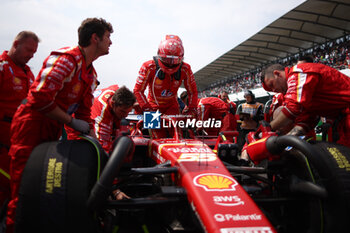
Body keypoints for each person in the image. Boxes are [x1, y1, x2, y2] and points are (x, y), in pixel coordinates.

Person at [6, 17, 113, 232]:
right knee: (23, 191)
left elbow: (84, 114)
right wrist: (71, 121)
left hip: (52, 130)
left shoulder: (90, 73)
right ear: (95, 38)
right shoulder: (66, 59)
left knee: (41, 189)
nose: (111, 43)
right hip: (31, 126)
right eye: (108, 37)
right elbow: (39, 99)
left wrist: (95, 144)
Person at [261, 63, 350, 147]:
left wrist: (267, 129)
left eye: (272, 84)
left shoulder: (298, 72)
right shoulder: (301, 93)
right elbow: (304, 122)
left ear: (277, 73)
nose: (275, 89)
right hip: (342, 120)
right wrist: (281, 142)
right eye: (271, 89)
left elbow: (293, 108)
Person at [0, 31, 39, 209]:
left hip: (20, 146)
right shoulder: (2, 68)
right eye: (28, 50)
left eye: (34, 53)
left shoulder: (29, 74)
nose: (31, 55)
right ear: (16, 44)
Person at [133, 35, 198, 116]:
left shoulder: (185, 69)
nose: (171, 64)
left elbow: (193, 92)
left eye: (175, 60)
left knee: (176, 127)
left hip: (172, 107)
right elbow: (138, 90)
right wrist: (146, 108)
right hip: (152, 106)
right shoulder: (148, 67)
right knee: (151, 128)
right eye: (167, 59)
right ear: (159, 56)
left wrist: (192, 108)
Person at [91, 85, 136, 154]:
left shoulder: (117, 93)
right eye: (123, 111)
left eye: (128, 112)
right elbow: (102, 145)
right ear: (113, 104)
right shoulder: (103, 114)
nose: (125, 115)